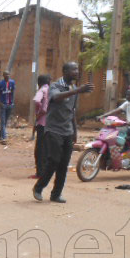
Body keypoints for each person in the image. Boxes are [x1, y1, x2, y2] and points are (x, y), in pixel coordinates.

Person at [33, 62, 94, 203]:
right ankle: (38, 187)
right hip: (53, 129)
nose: (77, 72)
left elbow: (71, 111)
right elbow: (56, 98)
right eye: (74, 69)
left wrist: (74, 130)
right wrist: (78, 90)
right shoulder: (55, 86)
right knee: (54, 160)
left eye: (78, 69)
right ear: (65, 71)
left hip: (67, 130)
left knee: (64, 163)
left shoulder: (73, 88)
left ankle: (56, 194)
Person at [98, 87, 130, 179]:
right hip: (127, 127)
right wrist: (103, 115)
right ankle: (116, 159)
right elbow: (116, 111)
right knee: (115, 139)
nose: (126, 96)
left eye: (128, 94)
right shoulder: (128, 103)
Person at [30, 74, 51, 179]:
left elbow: (37, 100)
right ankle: (46, 171)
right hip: (50, 123)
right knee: (47, 147)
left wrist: (40, 112)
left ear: (39, 82)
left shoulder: (41, 91)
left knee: (39, 149)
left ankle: (40, 172)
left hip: (42, 123)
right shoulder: (51, 90)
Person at [0, 70, 15, 143]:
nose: (7, 76)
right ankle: (4, 138)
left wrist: (12, 102)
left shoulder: (12, 82)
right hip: (3, 105)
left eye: (8, 74)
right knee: (2, 121)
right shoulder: (0, 83)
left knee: (5, 121)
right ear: (3, 75)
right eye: (6, 75)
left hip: (10, 105)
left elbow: (13, 93)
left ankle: (0, 135)